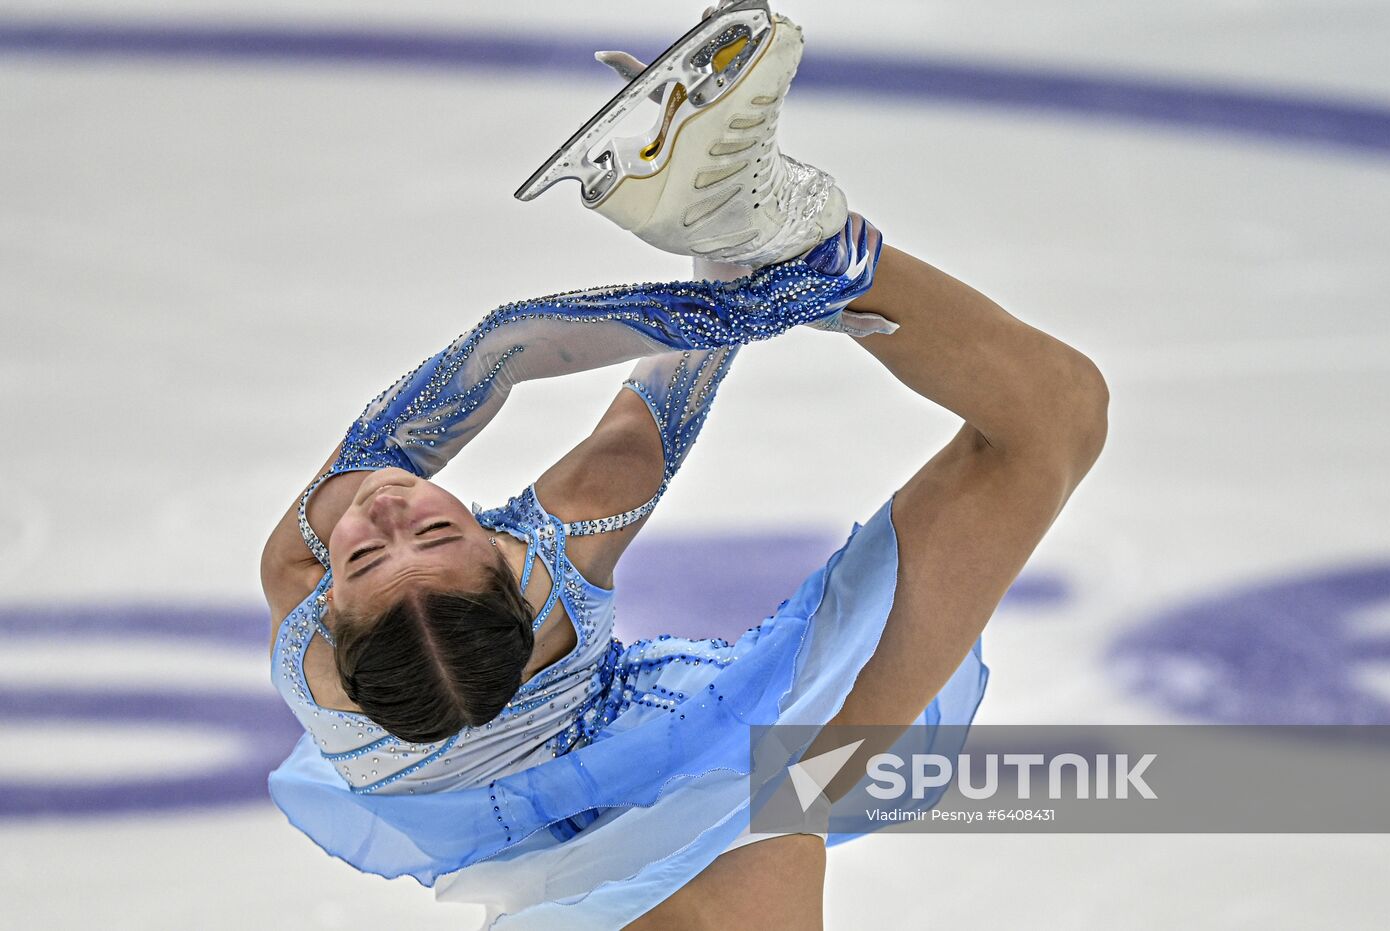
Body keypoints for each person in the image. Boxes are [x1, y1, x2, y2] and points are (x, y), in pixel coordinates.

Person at [261, 3, 1107, 928]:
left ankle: (806, 236)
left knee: (1057, 413)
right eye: (427, 529)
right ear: (514, 572)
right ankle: (810, 239)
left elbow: (500, 349)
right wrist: (750, 264)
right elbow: (621, 349)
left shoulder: (306, 562)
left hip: (694, 768)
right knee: (1052, 419)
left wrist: (741, 258)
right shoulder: (567, 535)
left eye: (388, 543)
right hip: (721, 768)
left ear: (327, 604)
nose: (383, 512)